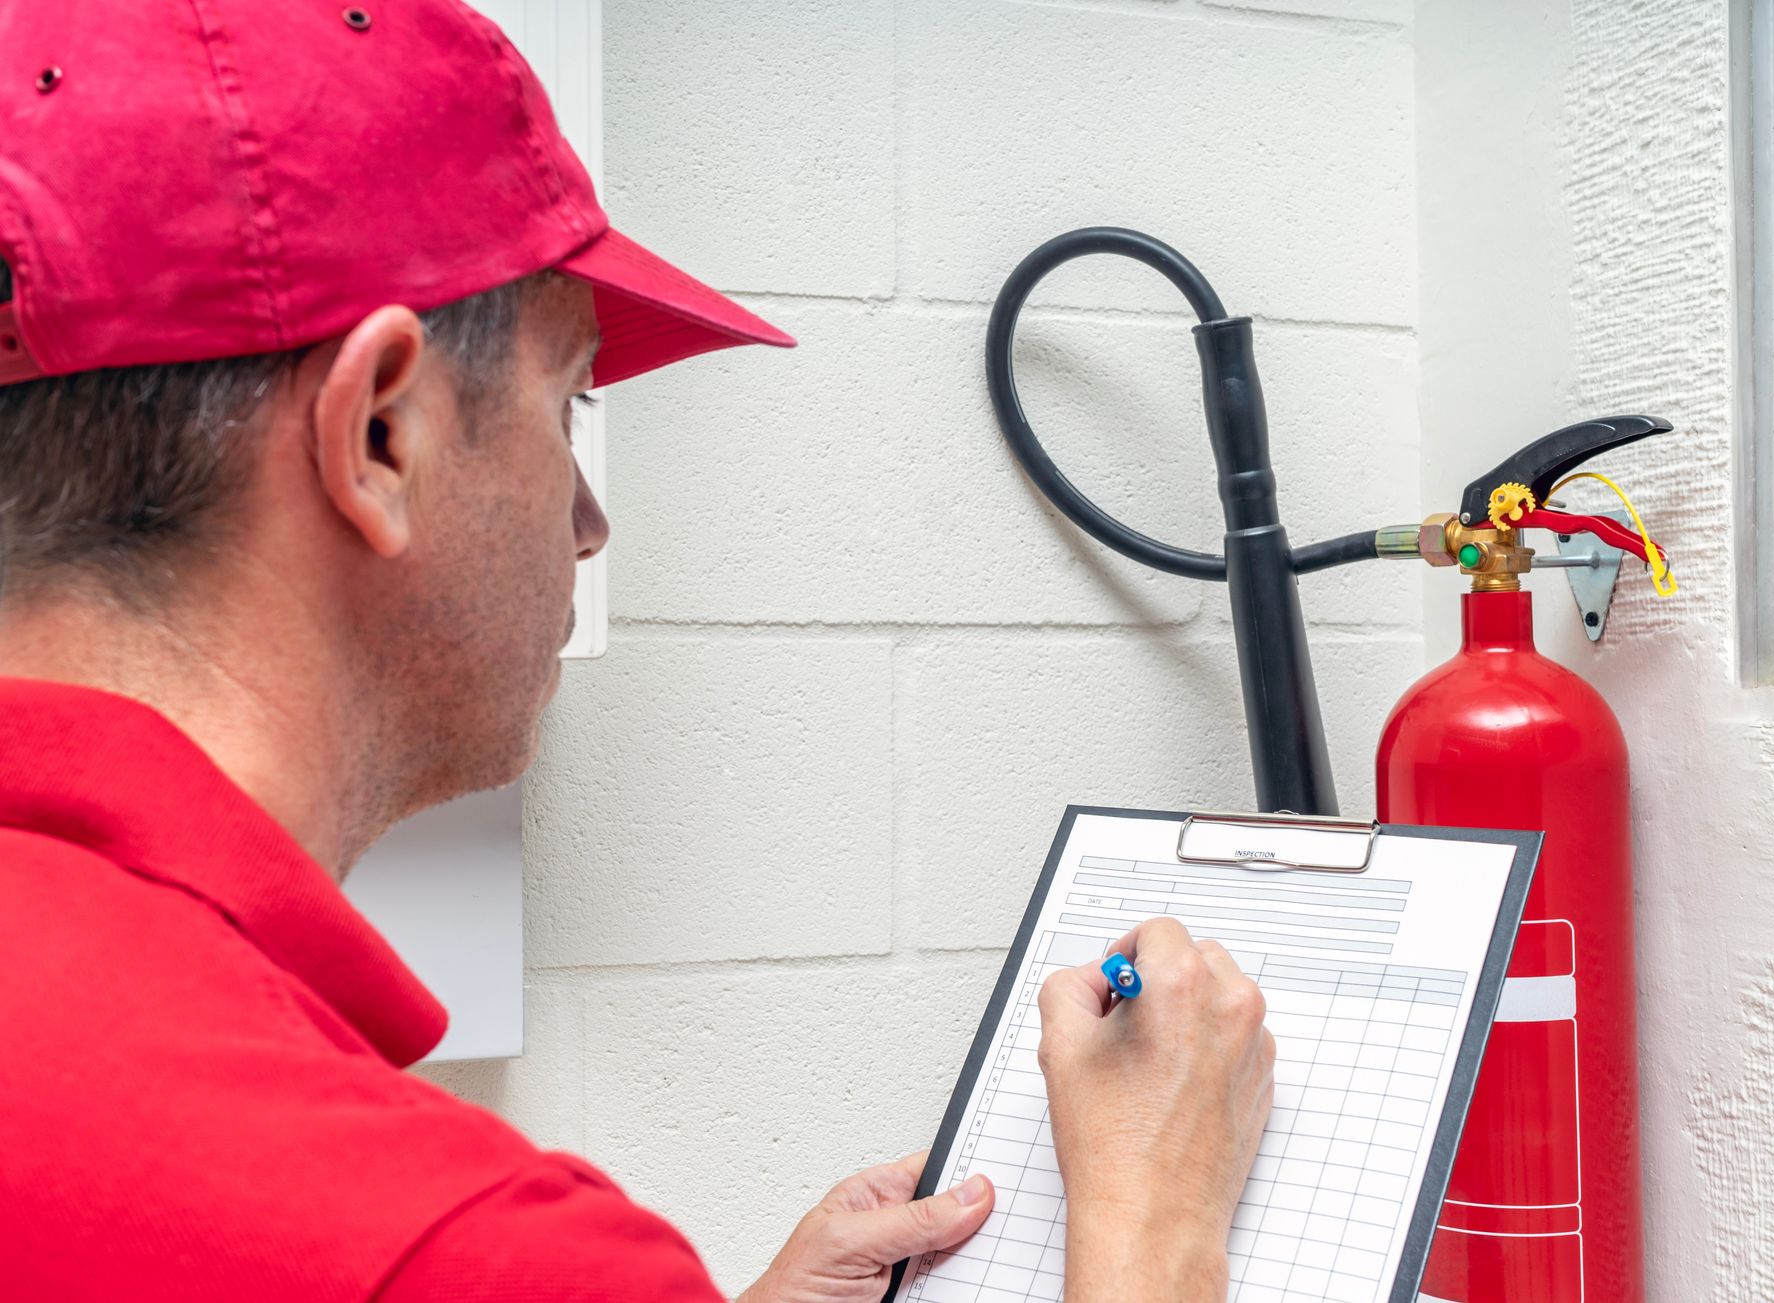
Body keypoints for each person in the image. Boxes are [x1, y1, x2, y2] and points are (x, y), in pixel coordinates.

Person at [0, 1, 1277, 1299]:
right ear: (380, 435)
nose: (590, 526)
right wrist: (1156, 1223)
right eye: (572, 401)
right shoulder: (455, 1246)